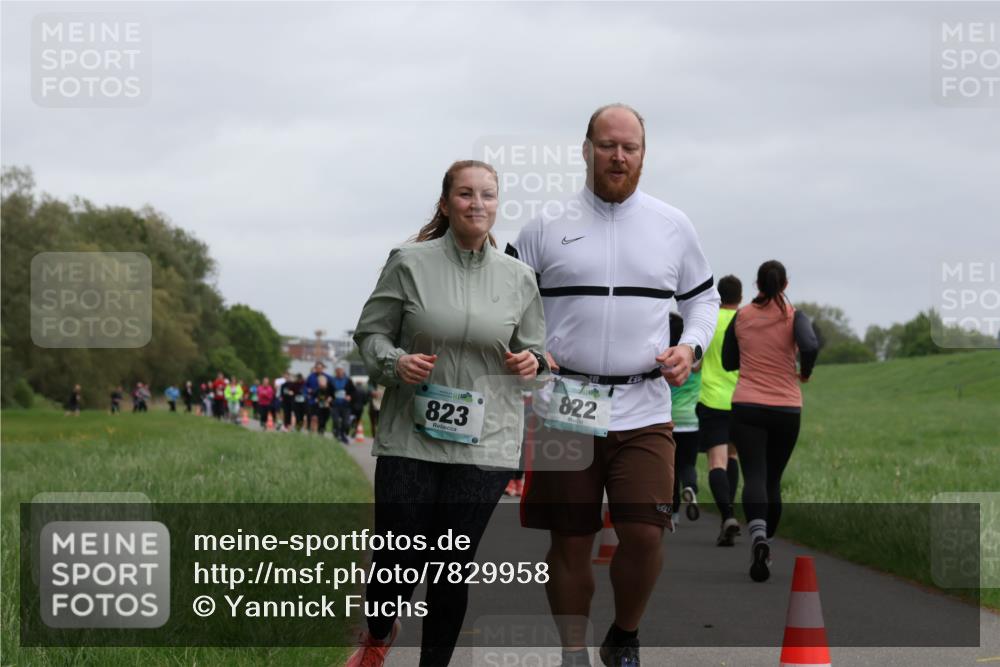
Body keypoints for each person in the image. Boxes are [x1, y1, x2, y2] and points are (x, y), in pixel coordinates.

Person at [510, 104, 719, 667]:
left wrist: (691, 347)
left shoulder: (673, 224)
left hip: (644, 403)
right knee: (571, 540)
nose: (618, 156)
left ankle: (624, 634)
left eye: (630, 147)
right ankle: (572, 650)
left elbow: (703, 299)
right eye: (607, 145)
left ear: (644, 156)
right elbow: (503, 301)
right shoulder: (543, 226)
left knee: (645, 533)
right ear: (585, 149)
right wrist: (528, 348)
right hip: (564, 406)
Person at [346, 159, 547, 667]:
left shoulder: (520, 278)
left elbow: (539, 353)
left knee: (451, 565)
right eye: (465, 194)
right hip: (410, 437)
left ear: (497, 206)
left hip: (487, 441)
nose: (476, 204)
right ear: (445, 203)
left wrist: (533, 362)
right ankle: (376, 634)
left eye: (486, 195)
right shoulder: (409, 262)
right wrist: (396, 361)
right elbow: (369, 336)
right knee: (397, 558)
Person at [722, 260, 819, 582]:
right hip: (786, 409)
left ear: (758, 285)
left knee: (754, 476)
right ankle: (768, 543)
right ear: (785, 284)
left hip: (747, 405)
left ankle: (758, 537)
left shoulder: (743, 315)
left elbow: (728, 361)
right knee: (773, 480)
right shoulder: (795, 316)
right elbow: (810, 344)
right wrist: (804, 372)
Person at [696, 275, 745, 546]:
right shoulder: (745, 322)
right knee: (733, 457)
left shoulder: (710, 322)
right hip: (741, 400)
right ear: (740, 298)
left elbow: (695, 363)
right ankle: (732, 512)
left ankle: (726, 516)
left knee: (717, 462)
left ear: (718, 296)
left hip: (712, 399)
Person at [667, 313, 702, 527]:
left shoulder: (665, 360)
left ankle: (673, 515)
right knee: (687, 464)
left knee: (670, 468)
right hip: (691, 420)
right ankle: (690, 487)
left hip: (668, 420)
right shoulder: (695, 362)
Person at [304, 362, 334, 433]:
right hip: (313, 400)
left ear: (323, 368)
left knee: (324, 416)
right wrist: (307, 392)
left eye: (320, 368)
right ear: (315, 368)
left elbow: (333, 389)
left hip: (325, 401)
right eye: (317, 368)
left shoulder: (328, 377)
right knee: (312, 416)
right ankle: (311, 429)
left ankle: (321, 427)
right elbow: (305, 387)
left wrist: (331, 398)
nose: (319, 369)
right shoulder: (311, 377)